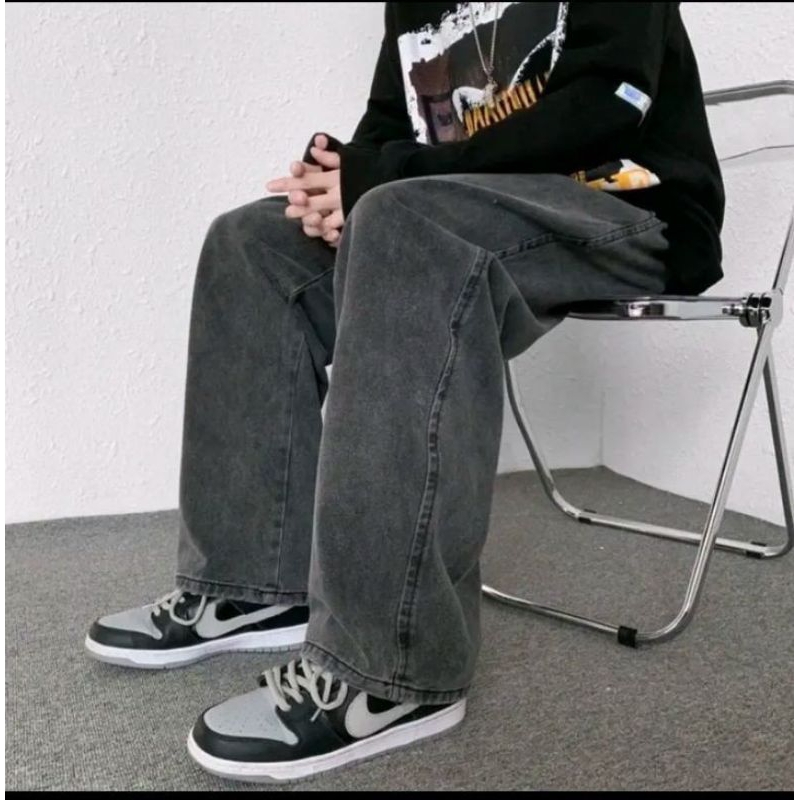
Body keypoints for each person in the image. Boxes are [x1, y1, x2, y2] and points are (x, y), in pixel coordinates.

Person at [84, 1, 724, 784]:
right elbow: (391, 125)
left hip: (627, 205)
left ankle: (390, 669)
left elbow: (604, 108)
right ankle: (251, 586)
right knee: (252, 242)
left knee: (403, 222)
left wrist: (379, 183)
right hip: (453, 204)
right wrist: (337, 180)